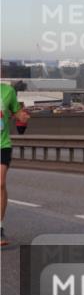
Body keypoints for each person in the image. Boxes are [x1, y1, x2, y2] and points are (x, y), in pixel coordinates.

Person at [1, 83, 29, 246]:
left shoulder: (8, 91)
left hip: (2, 145)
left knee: (1, 183)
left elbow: (17, 112)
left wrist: (22, 116)